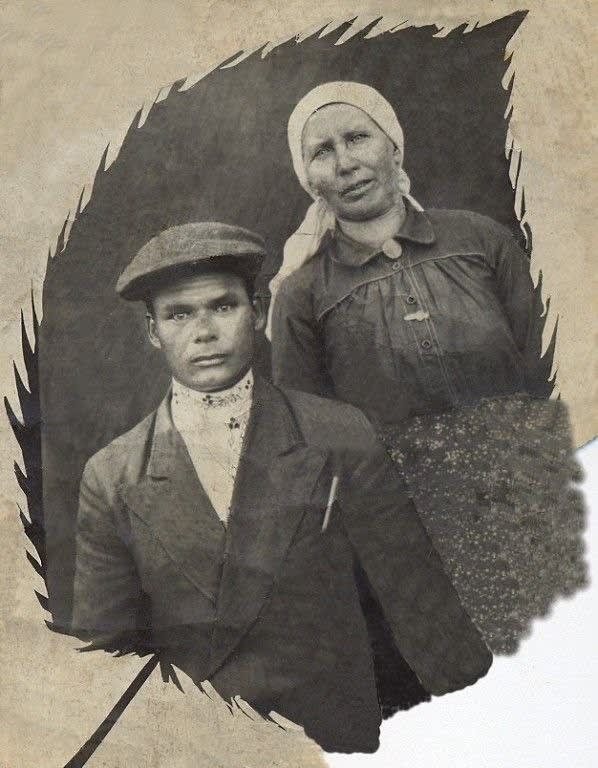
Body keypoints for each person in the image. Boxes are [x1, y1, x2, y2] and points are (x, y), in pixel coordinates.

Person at [70, 221, 492, 754]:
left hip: (329, 738)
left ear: (256, 310)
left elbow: (420, 600)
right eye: (179, 314)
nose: (204, 332)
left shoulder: (337, 433)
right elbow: (106, 659)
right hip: (198, 748)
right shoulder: (112, 475)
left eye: (223, 306)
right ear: (153, 332)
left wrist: (476, 732)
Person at [269, 81, 587, 655]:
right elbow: (309, 438)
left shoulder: (480, 240)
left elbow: (549, 364)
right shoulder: (301, 296)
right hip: (410, 530)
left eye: (357, 138)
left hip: (530, 496)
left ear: (393, 146)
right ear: (308, 177)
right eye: (322, 152)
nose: (345, 163)